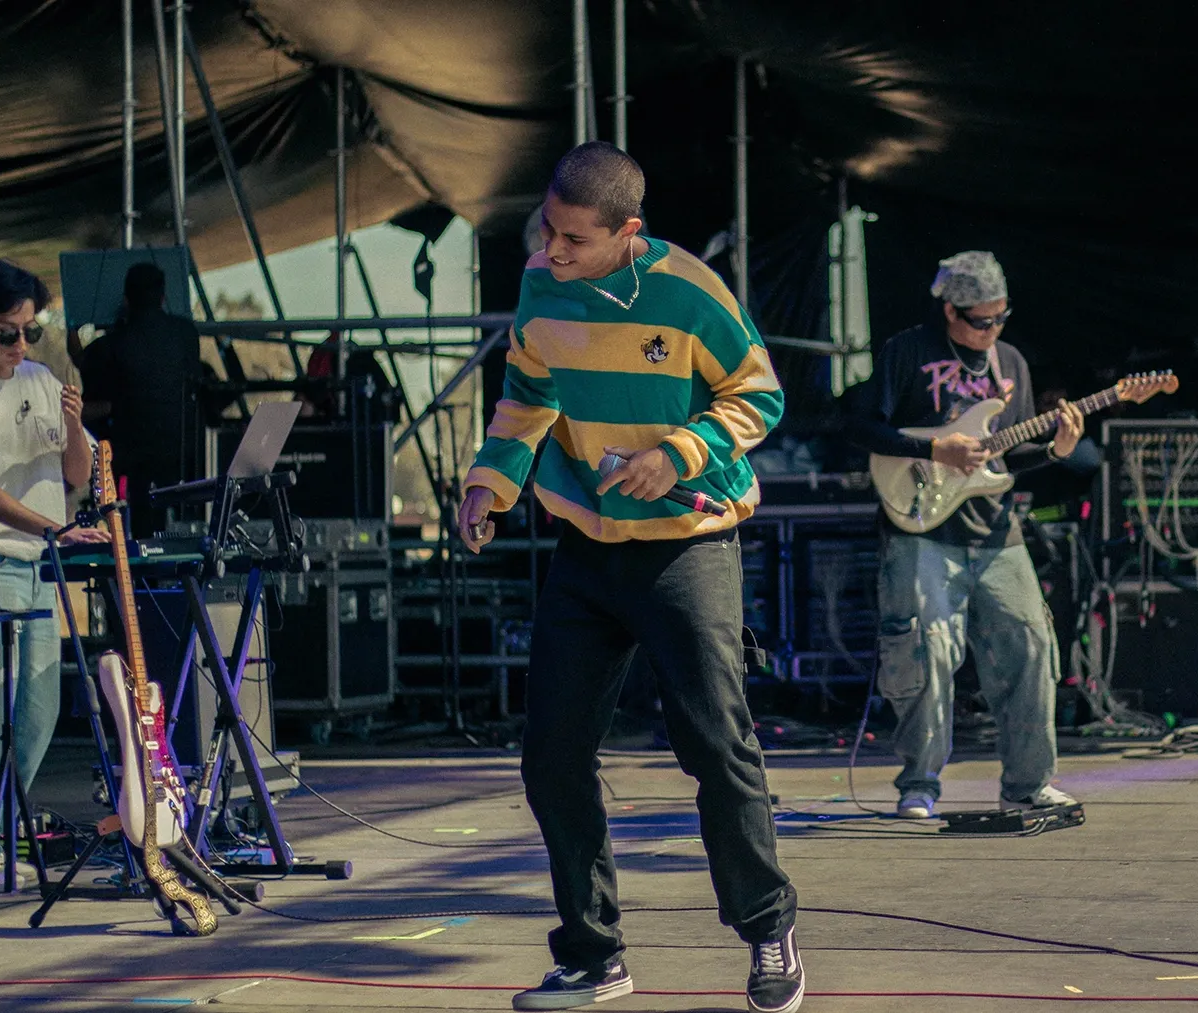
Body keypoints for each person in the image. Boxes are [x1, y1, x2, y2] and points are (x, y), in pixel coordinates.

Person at [456, 142, 802, 1013]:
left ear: (627, 233)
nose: (553, 252)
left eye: (574, 239)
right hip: (585, 548)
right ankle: (593, 953)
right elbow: (526, 394)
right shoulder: (541, 283)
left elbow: (760, 395)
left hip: (685, 541)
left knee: (714, 744)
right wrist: (487, 484)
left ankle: (768, 930)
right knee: (551, 756)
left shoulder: (690, 291)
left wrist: (676, 452)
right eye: (548, 231)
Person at [845, 250, 1083, 819]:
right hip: (921, 528)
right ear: (949, 311)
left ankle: (1028, 784)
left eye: (1001, 318)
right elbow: (859, 425)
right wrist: (933, 448)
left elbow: (1006, 456)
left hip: (998, 533)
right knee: (927, 653)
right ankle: (919, 786)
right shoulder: (907, 352)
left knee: (1031, 646)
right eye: (982, 320)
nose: (993, 330)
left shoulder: (1011, 363)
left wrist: (1055, 451)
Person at [0, 260, 107, 891]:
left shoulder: (41, 378)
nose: (21, 345)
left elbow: (78, 473)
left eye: (33, 329)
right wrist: (50, 529)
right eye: (7, 332)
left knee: (38, 710)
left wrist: (76, 424)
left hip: (37, 567)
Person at [77, 262, 205, 537]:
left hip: (132, 460)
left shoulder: (111, 346)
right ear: (162, 296)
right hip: (182, 455)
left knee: (141, 527)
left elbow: (90, 369)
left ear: (126, 299)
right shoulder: (186, 334)